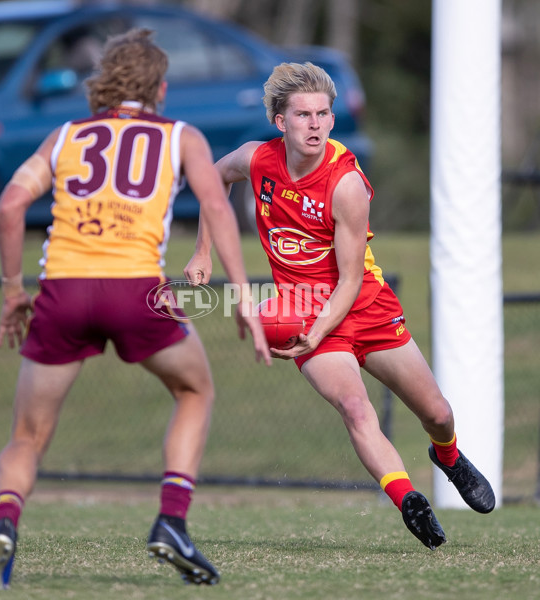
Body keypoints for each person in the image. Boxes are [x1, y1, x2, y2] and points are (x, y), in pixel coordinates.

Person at [0, 28, 271, 590]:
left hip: (62, 291)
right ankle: (172, 521)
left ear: (102, 84)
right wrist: (244, 297)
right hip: (136, 291)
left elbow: (10, 205)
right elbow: (218, 208)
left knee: (27, 436)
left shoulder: (65, 136)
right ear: (159, 87)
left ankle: (3, 524)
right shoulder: (181, 136)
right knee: (194, 390)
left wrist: (14, 292)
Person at [184, 61, 495, 551]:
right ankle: (409, 500)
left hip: (363, 305)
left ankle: (448, 455)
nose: (313, 124)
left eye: (322, 114)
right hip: (305, 308)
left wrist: (318, 328)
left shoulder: (345, 183)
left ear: (332, 120)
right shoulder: (256, 159)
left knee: (437, 413)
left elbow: (350, 279)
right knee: (355, 407)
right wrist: (201, 252)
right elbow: (213, 182)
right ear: (279, 121)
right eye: (302, 114)